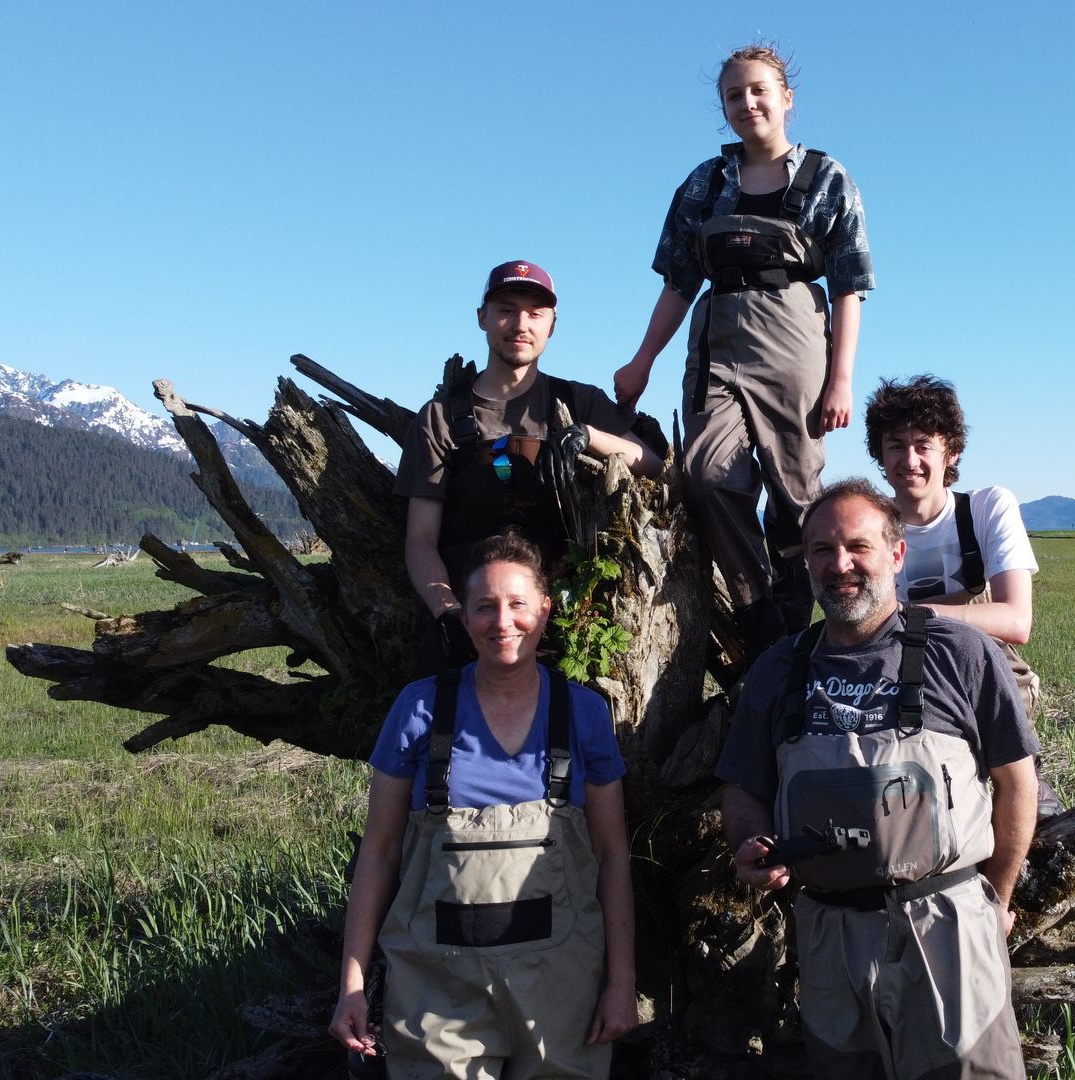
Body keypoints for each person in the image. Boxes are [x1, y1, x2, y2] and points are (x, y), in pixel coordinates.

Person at [717, 479, 1035, 1078]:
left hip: (949, 929)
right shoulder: (778, 669)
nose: (840, 566)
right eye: (822, 550)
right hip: (828, 938)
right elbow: (744, 789)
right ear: (806, 561)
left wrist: (996, 898)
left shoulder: (961, 653)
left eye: (858, 547)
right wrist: (749, 842)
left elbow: (1017, 783)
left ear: (895, 554)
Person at [329, 530, 639, 1078]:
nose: (503, 621)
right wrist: (351, 984)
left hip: (562, 990)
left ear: (545, 610)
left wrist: (621, 985)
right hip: (436, 990)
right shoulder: (419, 709)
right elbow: (377, 855)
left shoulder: (585, 714)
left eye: (518, 603)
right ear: (463, 615)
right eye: (485, 606)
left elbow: (614, 857)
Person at [614, 44, 874, 658]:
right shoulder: (704, 184)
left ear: (787, 98)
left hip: (796, 336)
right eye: (734, 94)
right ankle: (756, 618)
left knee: (796, 492)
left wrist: (841, 379)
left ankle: (805, 628)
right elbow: (679, 282)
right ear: (723, 107)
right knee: (707, 476)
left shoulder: (827, 177)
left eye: (759, 90)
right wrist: (642, 359)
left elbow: (850, 289)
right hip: (715, 335)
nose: (747, 102)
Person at [397, 260, 662, 672]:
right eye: (506, 309)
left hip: (565, 613)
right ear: (482, 318)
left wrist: (586, 437)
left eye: (535, 313)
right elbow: (420, 539)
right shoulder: (440, 418)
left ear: (552, 325)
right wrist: (448, 613)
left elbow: (652, 463)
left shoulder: (578, 401)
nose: (520, 323)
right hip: (473, 616)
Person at [864, 375, 1043, 713]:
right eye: (896, 445)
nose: (910, 460)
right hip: (894, 672)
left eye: (923, 445)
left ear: (952, 452)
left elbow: (1017, 622)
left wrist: (911, 615)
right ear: (880, 455)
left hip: (982, 671)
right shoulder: (868, 526)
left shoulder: (987, 509)